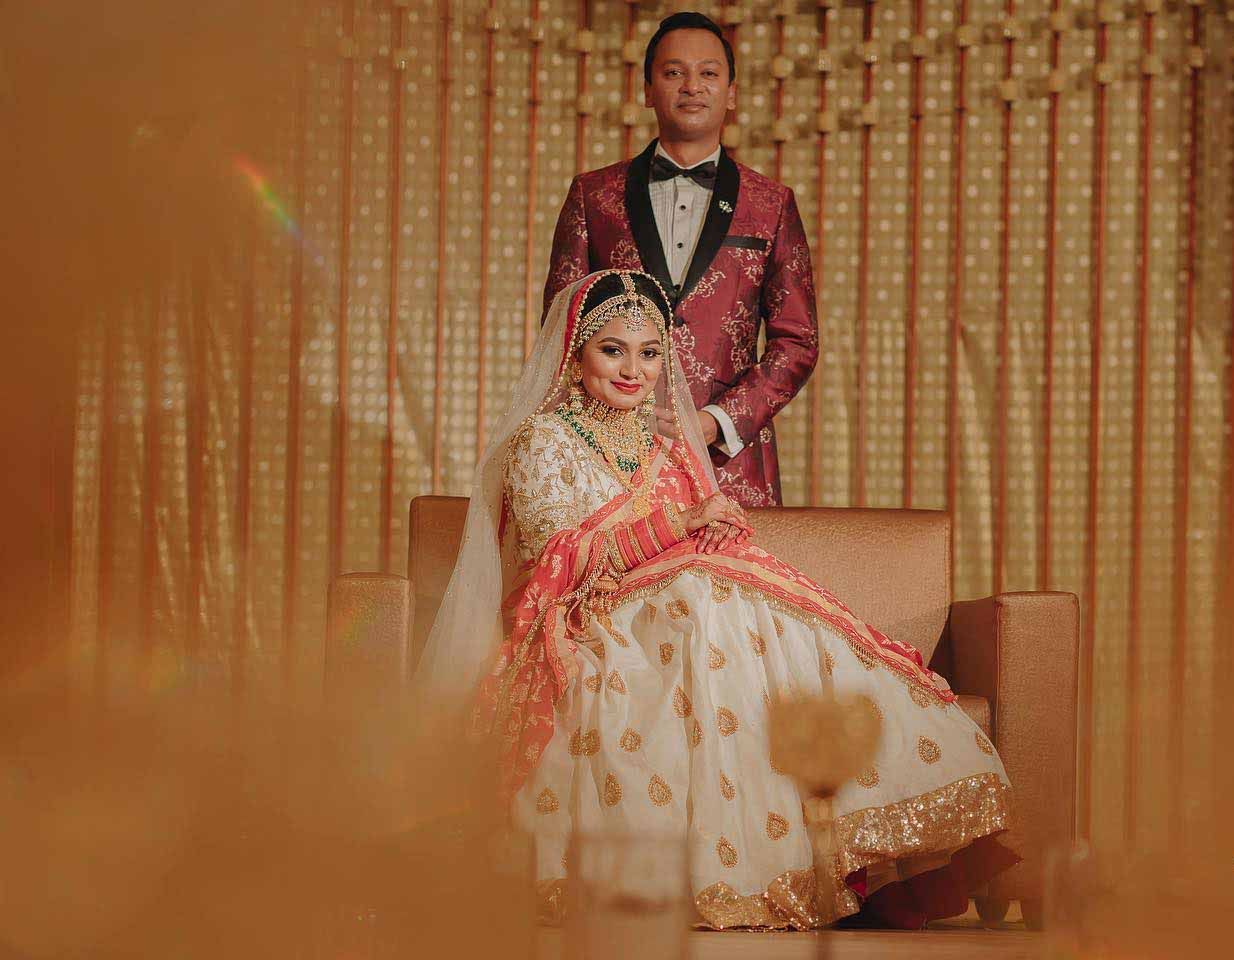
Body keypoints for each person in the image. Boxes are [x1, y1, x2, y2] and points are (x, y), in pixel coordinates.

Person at [416, 270, 1018, 929]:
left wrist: (717, 528)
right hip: (584, 617)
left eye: (650, 354)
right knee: (703, 600)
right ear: (575, 354)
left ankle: (896, 849)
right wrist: (683, 526)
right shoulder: (543, 442)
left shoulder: (661, 446)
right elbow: (559, 559)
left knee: (731, 598)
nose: (634, 370)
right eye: (613, 349)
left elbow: (689, 543)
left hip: (674, 602)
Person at [542, 11, 817, 508]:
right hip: (610, 458)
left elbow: (798, 341)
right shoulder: (594, 195)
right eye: (674, 73)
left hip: (730, 466)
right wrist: (615, 414)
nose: (692, 86)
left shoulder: (771, 203)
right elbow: (561, 327)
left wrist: (717, 421)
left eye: (708, 73)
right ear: (648, 89)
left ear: (731, 92)